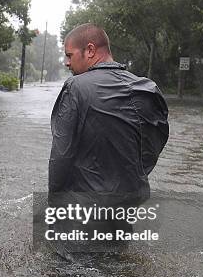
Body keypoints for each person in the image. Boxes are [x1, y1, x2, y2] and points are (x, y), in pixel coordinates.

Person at [49, 23, 169, 205]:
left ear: (90, 50)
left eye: (69, 55)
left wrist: (53, 202)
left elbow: (61, 155)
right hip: (130, 202)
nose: (67, 63)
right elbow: (153, 147)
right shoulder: (148, 89)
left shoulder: (75, 88)